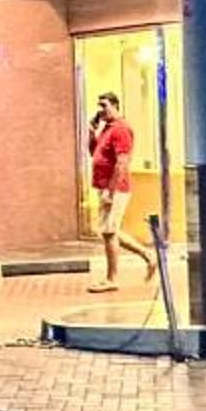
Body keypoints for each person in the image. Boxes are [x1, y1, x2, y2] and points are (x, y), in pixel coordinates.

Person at [85, 93, 154, 292]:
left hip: (116, 188)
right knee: (109, 231)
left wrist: (110, 190)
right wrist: (92, 133)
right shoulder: (108, 128)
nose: (101, 110)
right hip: (103, 186)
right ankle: (148, 256)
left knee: (109, 232)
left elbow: (122, 162)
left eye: (104, 105)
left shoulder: (121, 129)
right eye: (99, 106)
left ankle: (111, 279)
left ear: (115, 105)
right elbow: (94, 153)